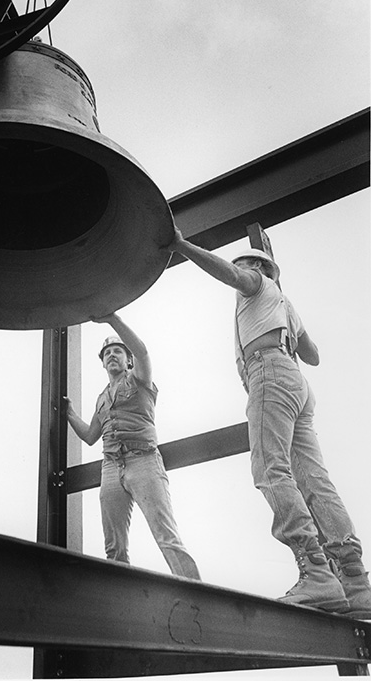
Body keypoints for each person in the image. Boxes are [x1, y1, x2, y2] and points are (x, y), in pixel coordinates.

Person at [168, 228, 371, 617]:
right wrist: (286, 319)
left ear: (258, 267)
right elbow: (312, 355)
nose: (238, 270)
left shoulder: (255, 283)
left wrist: (181, 245)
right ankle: (355, 580)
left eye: (243, 262)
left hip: (269, 374)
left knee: (269, 469)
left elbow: (231, 274)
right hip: (296, 382)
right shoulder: (283, 302)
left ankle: (315, 571)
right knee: (314, 479)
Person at [64, 311, 201, 580]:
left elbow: (143, 351)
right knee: (114, 548)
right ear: (103, 363)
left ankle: (197, 597)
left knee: (166, 536)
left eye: (118, 351)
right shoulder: (102, 398)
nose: (112, 355)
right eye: (107, 353)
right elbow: (91, 435)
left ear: (128, 360)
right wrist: (69, 414)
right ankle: (120, 600)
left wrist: (112, 319)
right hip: (111, 468)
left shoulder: (140, 379)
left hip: (144, 460)